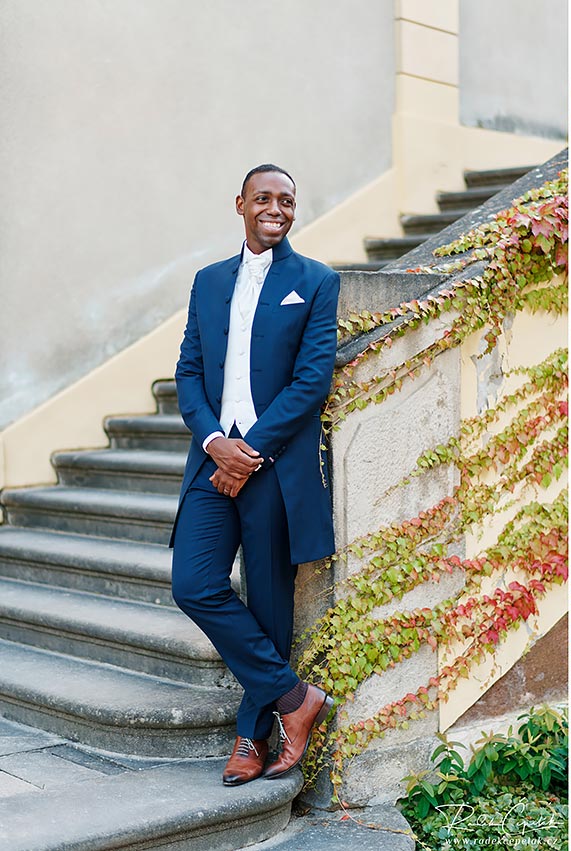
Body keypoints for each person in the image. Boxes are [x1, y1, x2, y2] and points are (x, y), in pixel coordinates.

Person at [170, 164, 340, 784]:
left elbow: (311, 381)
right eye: (264, 198)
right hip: (212, 461)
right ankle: (297, 699)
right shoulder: (207, 281)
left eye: (287, 201)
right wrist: (217, 443)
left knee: (269, 601)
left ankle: (252, 736)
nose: (276, 208)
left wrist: (252, 450)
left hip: (273, 467)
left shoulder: (316, 281)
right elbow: (189, 370)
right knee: (194, 583)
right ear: (239, 203)